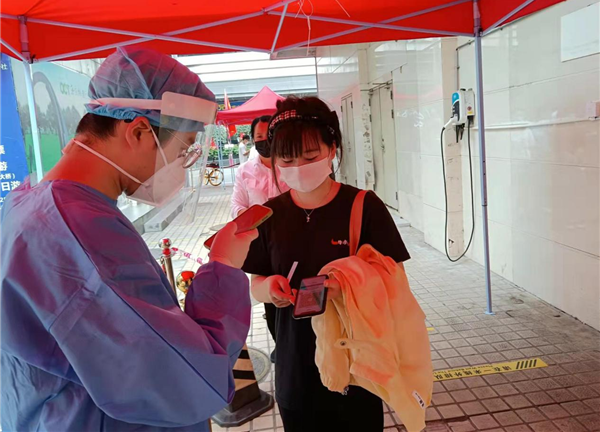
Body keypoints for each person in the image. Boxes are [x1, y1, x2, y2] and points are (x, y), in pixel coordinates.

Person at [0, 47, 257, 432]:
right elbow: (184, 378)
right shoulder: (80, 231)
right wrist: (222, 267)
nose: (181, 164)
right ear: (138, 132)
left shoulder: (31, 204)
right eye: (182, 149)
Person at [243, 96, 410, 432]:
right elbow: (255, 283)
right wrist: (268, 288)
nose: (299, 167)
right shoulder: (269, 214)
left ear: (332, 148)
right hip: (295, 367)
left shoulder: (364, 206)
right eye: (287, 159)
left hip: (356, 365)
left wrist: (346, 286)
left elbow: (394, 279)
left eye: (310, 156)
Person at [231, 115, 289, 362]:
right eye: (259, 137)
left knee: (294, 288)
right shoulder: (244, 171)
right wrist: (252, 215)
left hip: (291, 238)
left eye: (269, 136)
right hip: (261, 243)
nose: (264, 141)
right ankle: (279, 343)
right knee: (269, 295)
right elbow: (236, 205)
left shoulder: (290, 166)